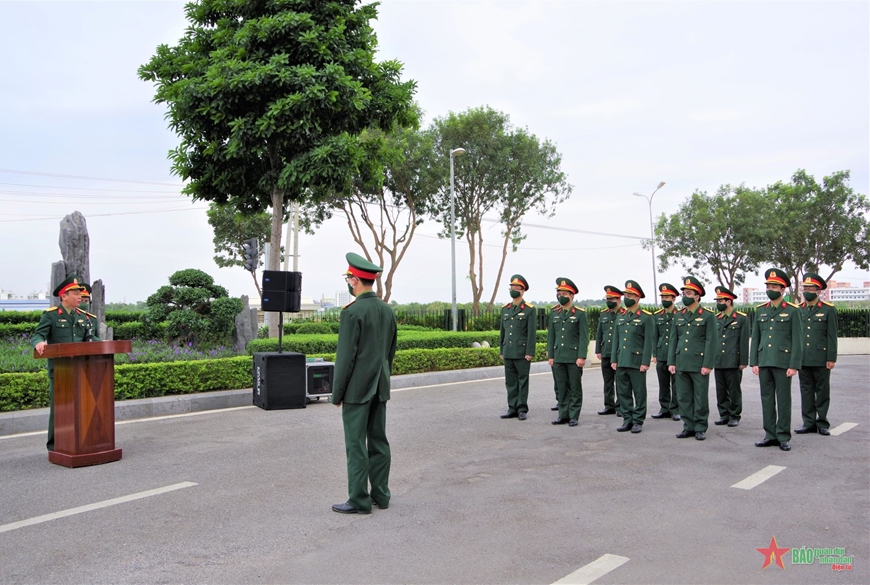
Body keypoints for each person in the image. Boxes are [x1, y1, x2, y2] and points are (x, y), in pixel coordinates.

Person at [331, 253, 398, 515]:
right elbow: (389, 352)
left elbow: (345, 359)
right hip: (380, 385)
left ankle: (359, 500)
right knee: (379, 441)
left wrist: (337, 395)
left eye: (349, 277)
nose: (349, 282)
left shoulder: (353, 312)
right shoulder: (387, 310)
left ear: (355, 280)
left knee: (356, 444)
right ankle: (381, 495)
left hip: (358, 390)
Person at [31, 275, 100, 451]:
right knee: (59, 408)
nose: (80, 297)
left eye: (80, 294)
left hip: (82, 369)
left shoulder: (85, 317)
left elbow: (92, 339)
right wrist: (39, 342)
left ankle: (81, 440)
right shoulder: (52, 316)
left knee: (83, 405)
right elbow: (38, 334)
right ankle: (55, 445)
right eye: (75, 293)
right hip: (60, 370)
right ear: (64, 296)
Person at [750, 268, 803, 452]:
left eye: (774, 286)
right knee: (766, 399)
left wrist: (794, 365)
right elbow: (755, 337)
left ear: (782, 290)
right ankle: (769, 434)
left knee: (783, 400)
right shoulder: (760, 310)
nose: (770, 289)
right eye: (768, 286)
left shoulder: (792, 311)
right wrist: (754, 362)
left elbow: (797, 340)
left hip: (783, 362)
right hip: (764, 361)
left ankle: (783, 436)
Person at [668, 276, 716, 441]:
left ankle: (700, 427)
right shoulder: (679, 316)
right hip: (681, 362)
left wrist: (708, 364)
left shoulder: (708, 316)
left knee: (700, 396)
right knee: (683, 396)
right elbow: (674, 340)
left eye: (689, 293)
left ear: (697, 296)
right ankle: (688, 426)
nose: (685, 296)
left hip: (699, 363)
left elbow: (711, 342)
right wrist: (671, 361)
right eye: (684, 293)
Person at [796, 273, 837, 436]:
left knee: (822, 391)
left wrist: (831, 357)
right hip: (803, 358)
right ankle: (808, 422)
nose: (807, 292)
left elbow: (831, 335)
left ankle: (822, 422)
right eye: (805, 289)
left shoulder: (828, 309)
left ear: (818, 291)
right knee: (805, 391)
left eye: (810, 289)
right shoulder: (799, 309)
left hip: (821, 357)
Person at [610, 280, 654, 434]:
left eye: (630, 295)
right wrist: (614, 359)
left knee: (639, 392)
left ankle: (638, 420)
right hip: (622, 360)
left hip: (637, 361)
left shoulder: (646, 317)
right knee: (623, 392)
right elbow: (616, 340)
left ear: (637, 298)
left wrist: (645, 362)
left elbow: (648, 342)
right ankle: (627, 419)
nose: (626, 297)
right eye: (625, 294)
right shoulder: (621, 317)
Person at [546, 277, 588, 427]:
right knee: (561, 387)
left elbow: (584, 337)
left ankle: (574, 415)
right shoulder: (554, 312)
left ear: (572, 296)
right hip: (558, 356)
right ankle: (563, 414)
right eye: (559, 293)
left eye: (564, 294)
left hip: (573, 357)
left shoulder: (580, 313)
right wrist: (550, 355)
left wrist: (581, 356)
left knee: (575, 387)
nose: (561, 296)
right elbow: (551, 336)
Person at [499, 274, 537, 421]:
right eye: (511, 287)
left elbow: (531, 333)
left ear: (523, 291)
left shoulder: (529, 309)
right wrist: (502, 350)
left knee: (522, 380)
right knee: (510, 382)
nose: (513, 290)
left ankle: (522, 408)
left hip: (522, 352)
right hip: (508, 352)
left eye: (516, 288)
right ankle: (511, 407)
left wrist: (530, 352)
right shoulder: (505, 309)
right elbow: (502, 331)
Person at [713, 286, 749, 427]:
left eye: (720, 300)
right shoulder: (716, 318)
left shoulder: (741, 319)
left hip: (733, 359)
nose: (718, 303)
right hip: (718, 360)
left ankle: (734, 415)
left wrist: (743, 361)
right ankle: (724, 414)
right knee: (720, 389)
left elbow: (744, 341)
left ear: (728, 302)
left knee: (734, 390)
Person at [651, 283, 680, 421]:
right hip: (662, 353)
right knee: (663, 383)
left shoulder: (680, 315)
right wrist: (655, 354)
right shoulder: (657, 315)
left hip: (675, 354)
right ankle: (664, 408)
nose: (664, 300)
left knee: (676, 384)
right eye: (662, 297)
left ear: (674, 299)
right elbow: (655, 336)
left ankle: (675, 409)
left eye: (667, 297)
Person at [595, 285, 625, 416]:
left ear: (618, 300)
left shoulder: (624, 314)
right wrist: (598, 350)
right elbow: (599, 333)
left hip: (619, 353)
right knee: (607, 381)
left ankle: (620, 406)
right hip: (606, 351)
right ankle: (609, 405)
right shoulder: (604, 314)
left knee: (620, 381)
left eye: (612, 299)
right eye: (607, 299)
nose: (609, 302)